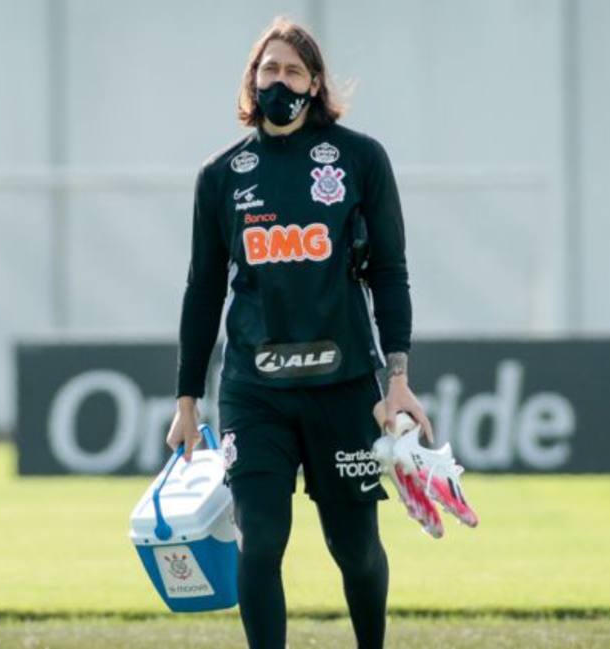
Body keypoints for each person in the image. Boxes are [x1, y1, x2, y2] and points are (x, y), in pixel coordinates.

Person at [165, 18, 432, 649]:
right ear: (251, 82)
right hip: (255, 391)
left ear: (315, 84)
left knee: (355, 548)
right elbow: (203, 291)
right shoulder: (222, 174)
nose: (278, 81)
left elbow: (390, 273)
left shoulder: (359, 158)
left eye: (291, 71)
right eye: (268, 70)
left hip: (343, 386)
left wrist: (397, 381)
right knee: (259, 540)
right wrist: (185, 401)